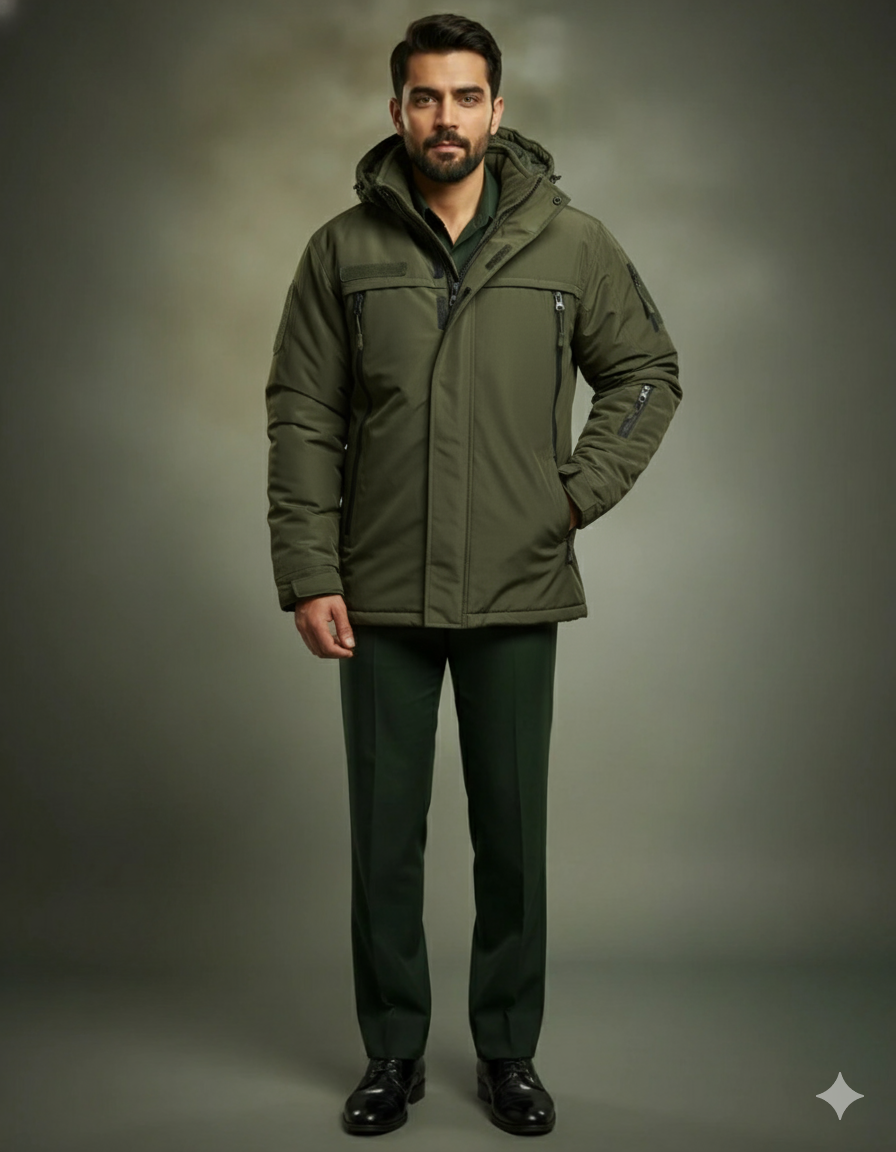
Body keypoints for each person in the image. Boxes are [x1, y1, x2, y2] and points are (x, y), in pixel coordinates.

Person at [265, 13, 681, 1137]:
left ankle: (507, 1054)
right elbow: (302, 414)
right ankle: (391, 1054)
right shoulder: (341, 251)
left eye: (463, 97)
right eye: (423, 97)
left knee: (511, 838)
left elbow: (645, 372)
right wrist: (308, 570)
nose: (442, 117)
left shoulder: (571, 243)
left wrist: (570, 496)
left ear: (498, 108)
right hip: (377, 589)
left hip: (514, 585)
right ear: (395, 109)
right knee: (383, 840)